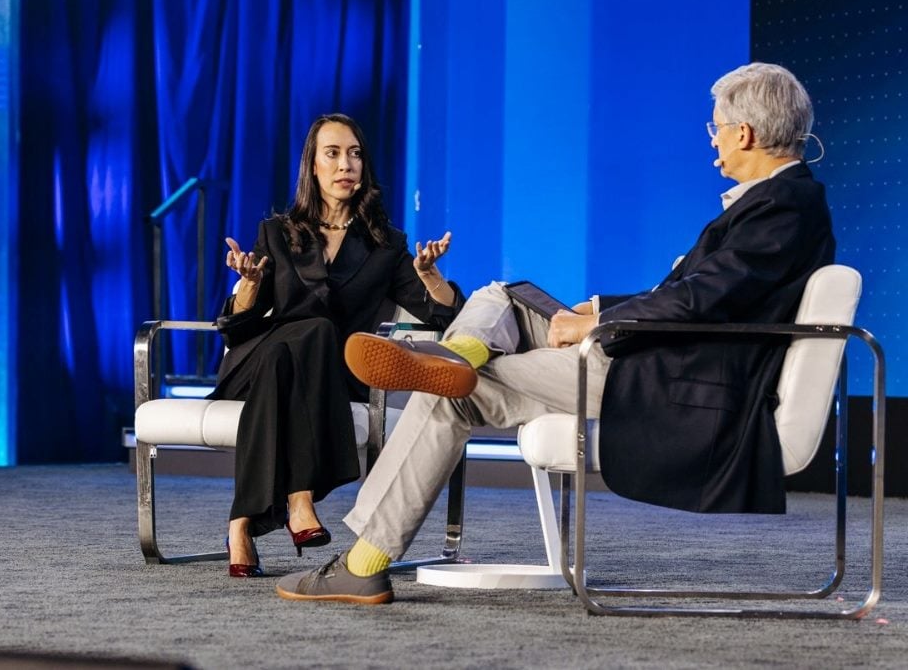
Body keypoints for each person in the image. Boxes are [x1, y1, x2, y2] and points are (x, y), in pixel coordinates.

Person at [276, 62, 834, 604]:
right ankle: (457, 355)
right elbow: (701, 294)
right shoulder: (779, 203)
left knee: (456, 396)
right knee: (501, 296)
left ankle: (363, 563)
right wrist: (597, 310)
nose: (713, 140)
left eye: (716, 128)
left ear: (747, 132)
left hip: (659, 380)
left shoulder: (785, 207)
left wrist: (597, 322)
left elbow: (704, 298)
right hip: (645, 352)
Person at [213, 113, 465, 578]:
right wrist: (248, 285)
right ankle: (299, 498)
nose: (345, 164)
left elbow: (445, 315)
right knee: (311, 331)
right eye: (332, 154)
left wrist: (430, 276)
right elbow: (236, 330)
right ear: (313, 165)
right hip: (257, 361)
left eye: (354, 154)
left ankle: (240, 524)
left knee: (311, 339)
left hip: (328, 377)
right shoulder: (278, 233)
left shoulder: (386, 245)